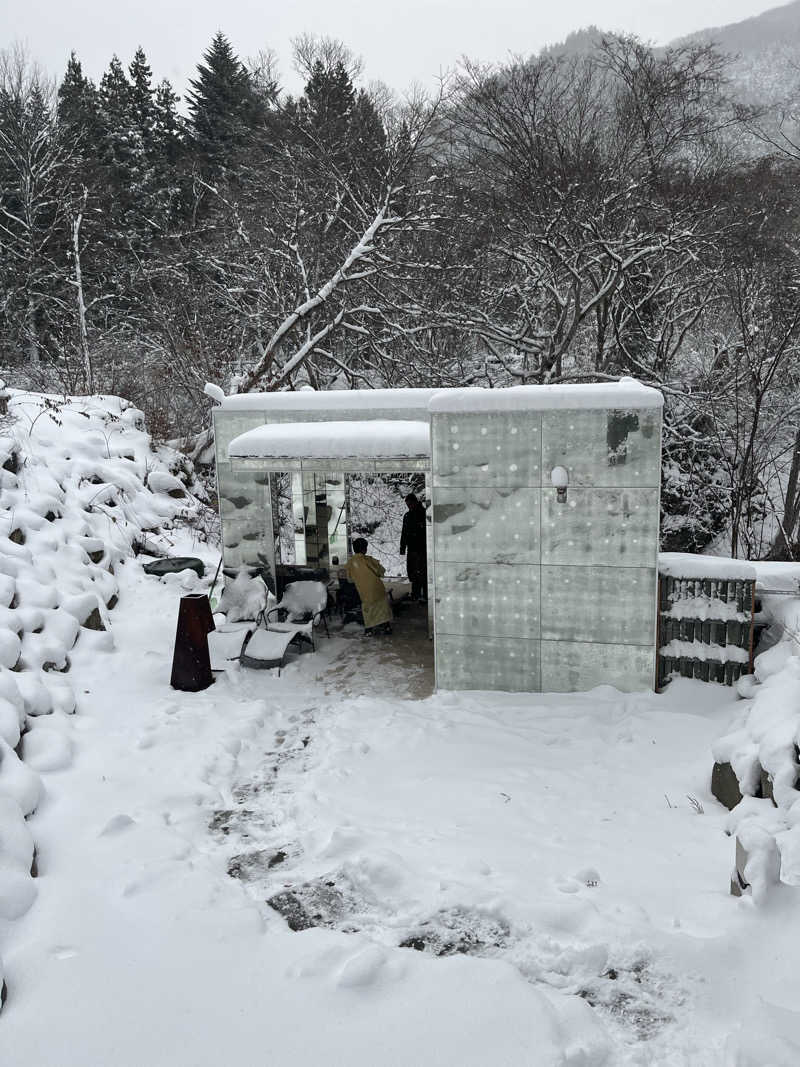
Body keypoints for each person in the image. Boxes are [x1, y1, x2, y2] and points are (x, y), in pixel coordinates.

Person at [346, 538, 393, 635]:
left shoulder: (350, 563)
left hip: (363, 591)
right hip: (377, 587)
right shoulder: (368, 560)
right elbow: (380, 571)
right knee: (382, 607)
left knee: (368, 608)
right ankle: (386, 626)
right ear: (364, 549)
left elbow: (349, 579)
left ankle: (369, 629)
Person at [400, 493, 428, 601]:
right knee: (413, 572)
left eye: (410, 504)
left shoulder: (424, 514)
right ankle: (416, 594)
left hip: (422, 549)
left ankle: (425, 595)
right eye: (407, 504)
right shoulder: (407, 516)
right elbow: (404, 533)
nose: (409, 506)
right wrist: (402, 547)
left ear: (415, 502)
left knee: (422, 572)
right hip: (412, 549)